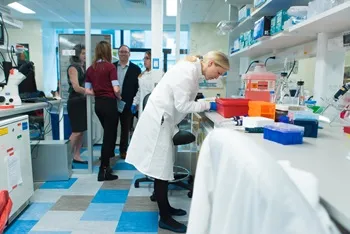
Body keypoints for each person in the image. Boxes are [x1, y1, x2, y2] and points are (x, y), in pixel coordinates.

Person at [126, 51, 230, 233]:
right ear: (211, 63)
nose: (217, 77)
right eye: (219, 72)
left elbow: (184, 99)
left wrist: (204, 102)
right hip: (160, 121)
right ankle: (164, 218)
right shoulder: (188, 71)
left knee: (163, 169)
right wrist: (208, 105)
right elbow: (182, 106)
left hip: (164, 120)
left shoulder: (192, 70)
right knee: (161, 171)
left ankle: (167, 209)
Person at [85, 41, 121, 181]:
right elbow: (116, 89)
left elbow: (88, 90)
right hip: (109, 104)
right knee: (108, 137)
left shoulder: (90, 68)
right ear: (107, 52)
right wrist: (119, 96)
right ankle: (103, 170)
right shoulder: (110, 67)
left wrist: (98, 92)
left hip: (98, 105)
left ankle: (106, 167)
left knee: (108, 135)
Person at [113, 45, 141, 159]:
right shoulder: (112, 67)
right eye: (121, 52)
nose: (123, 53)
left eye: (125, 52)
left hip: (128, 104)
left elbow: (137, 88)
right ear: (118, 53)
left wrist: (135, 104)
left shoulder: (135, 69)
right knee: (111, 128)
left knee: (125, 129)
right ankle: (109, 151)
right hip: (113, 103)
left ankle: (123, 151)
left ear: (129, 54)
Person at [67, 44, 87, 164]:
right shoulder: (73, 68)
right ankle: (65, 158)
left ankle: (77, 155)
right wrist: (89, 92)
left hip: (82, 101)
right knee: (76, 131)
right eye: (83, 53)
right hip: (75, 102)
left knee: (81, 131)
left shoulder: (82, 67)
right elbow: (76, 87)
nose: (85, 56)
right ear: (77, 54)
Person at [131, 50, 154, 117]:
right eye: (144, 58)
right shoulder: (142, 75)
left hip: (152, 107)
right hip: (142, 106)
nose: (144, 60)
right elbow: (140, 91)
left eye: (147, 58)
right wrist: (134, 103)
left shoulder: (158, 74)